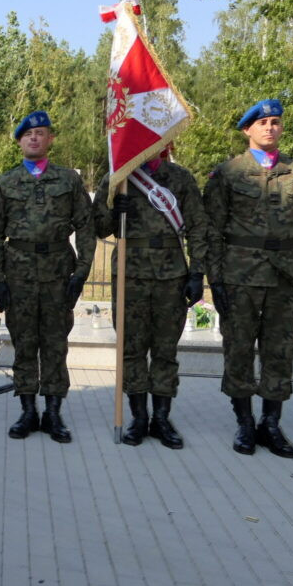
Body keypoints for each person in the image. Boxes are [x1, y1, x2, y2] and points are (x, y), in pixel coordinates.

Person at [203, 99, 293, 458]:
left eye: (275, 121)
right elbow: (213, 230)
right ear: (247, 129)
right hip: (240, 275)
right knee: (238, 349)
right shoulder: (229, 173)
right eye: (262, 122)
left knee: (279, 351)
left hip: (284, 276)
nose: (269, 127)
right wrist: (215, 280)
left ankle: (271, 423)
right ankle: (245, 422)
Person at [0, 111, 94, 443]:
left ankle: (53, 413)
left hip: (58, 272)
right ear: (19, 141)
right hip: (18, 273)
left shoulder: (68, 180)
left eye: (41, 132)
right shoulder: (5, 182)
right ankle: (28, 410)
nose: (34, 137)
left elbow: (86, 228)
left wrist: (81, 274)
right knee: (24, 344)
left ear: (50, 140)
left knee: (55, 345)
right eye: (28, 133)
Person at [93, 145, 208, 448]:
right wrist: (114, 211)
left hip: (171, 275)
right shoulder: (118, 178)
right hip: (129, 274)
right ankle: (138, 417)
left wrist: (197, 273)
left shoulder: (180, 178)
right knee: (130, 348)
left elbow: (198, 227)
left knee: (165, 351)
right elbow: (100, 227)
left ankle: (161, 419)